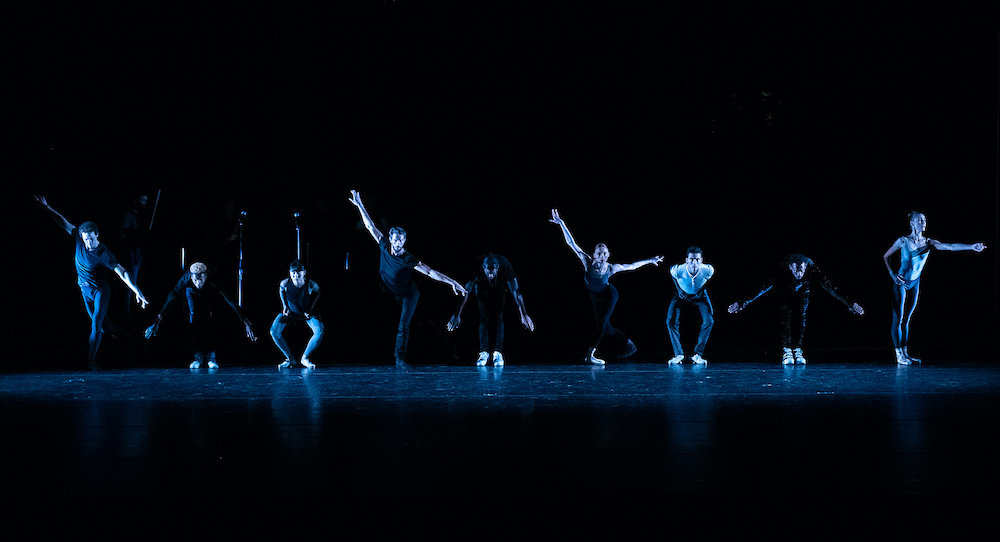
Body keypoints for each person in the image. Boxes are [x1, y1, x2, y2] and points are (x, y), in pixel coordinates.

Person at [348, 190, 467, 368]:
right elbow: (370, 226)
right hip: (388, 291)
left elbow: (430, 272)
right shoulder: (383, 244)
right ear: (391, 239)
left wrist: (453, 282)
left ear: (404, 241)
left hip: (408, 295)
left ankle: (400, 359)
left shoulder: (408, 258)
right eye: (396, 240)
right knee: (411, 322)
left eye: (401, 241)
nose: (398, 244)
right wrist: (360, 205)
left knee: (406, 325)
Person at [35, 195, 150, 370]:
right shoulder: (79, 239)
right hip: (84, 289)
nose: (88, 242)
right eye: (85, 239)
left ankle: (91, 361)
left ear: (97, 235)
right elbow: (63, 222)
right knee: (107, 327)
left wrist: (136, 291)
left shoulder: (104, 253)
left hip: (100, 291)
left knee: (95, 323)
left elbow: (122, 273)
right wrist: (47, 207)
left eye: (91, 238)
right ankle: (138, 344)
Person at [549, 209, 664, 365]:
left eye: (605, 254)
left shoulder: (611, 268)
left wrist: (650, 260)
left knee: (602, 323)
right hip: (595, 297)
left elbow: (632, 266)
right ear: (594, 255)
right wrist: (561, 223)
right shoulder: (586, 261)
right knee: (607, 329)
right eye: (599, 253)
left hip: (609, 295)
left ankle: (590, 355)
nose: (602, 256)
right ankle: (630, 345)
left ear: (608, 255)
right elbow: (571, 243)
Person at [882, 211, 987, 365]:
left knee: (907, 320)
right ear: (912, 223)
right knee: (898, 319)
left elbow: (950, 246)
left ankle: (905, 353)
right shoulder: (903, 241)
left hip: (915, 283)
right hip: (901, 283)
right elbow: (886, 256)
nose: (923, 222)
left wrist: (972, 246)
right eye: (920, 220)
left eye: (924, 220)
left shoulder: (929, 242)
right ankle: (898, 354)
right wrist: (892, 274)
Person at [728, 254, 864, 364]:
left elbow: (828, 285)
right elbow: (764, 286)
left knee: (801, 317)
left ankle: (798, 349)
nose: (799, 274)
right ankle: (787, 350)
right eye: (796, 271)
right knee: (785, 317)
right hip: (785, 290)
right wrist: (742, 302)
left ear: (805, 268)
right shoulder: (782, 266)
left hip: (804, 291)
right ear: (790, 267)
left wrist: (849, 303)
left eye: (801, 271)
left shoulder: (810, 266)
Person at [144, 261, 256, 369]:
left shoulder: (214, 279)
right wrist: (157, 322)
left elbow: (230, 300)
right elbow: (171, 298)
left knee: (212, 317)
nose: (198, 284)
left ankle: (211, 354)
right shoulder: (186, 279)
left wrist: (246, 321)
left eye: (200, 280)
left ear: (206, 276)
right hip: (191, 292)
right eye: (195, 280)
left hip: (210, 291)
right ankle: (198, 354)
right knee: (194, 317)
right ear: (191, 277)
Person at [447, 253, 535, 366]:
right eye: (488, 273)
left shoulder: (505, 265)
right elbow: (466, 291)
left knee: (499, 316)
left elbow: (516, 291)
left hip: (500, 285)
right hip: (481, 285)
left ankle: (498, 352)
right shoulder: (476, 265)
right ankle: (484, 352)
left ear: (497, 268)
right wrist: (457, 314)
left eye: (492, 274)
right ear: (484, 268)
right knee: (484, 317)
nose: (490, 276)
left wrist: (524, 314)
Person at [666, 246, 716, 365]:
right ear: (686, 260)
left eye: (697, 260)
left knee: (709, 321)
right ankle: (678, 354)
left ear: (702, 260)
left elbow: (706, 280)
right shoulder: (678, 269)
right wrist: (679, 290)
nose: (694, 262)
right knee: (670, 320)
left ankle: (698, 354)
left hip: (700, 296)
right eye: (692, 259)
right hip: (681, 295)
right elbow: (672, 273)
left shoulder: (708, 269)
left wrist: (701, 289)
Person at [271, 260, 323, 370]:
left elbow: (318, 291)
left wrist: (310, 308)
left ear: (304, 272)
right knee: (273, 331)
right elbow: (281, 290)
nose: (296, 275)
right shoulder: (285, 283)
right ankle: (290, 359)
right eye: (293, 272)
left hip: (306, 313)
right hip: (291, 313)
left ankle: (304, 358)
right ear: (290, 273)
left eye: (299, 272)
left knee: (319, 331)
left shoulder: (310, 284)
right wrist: (284, 306)